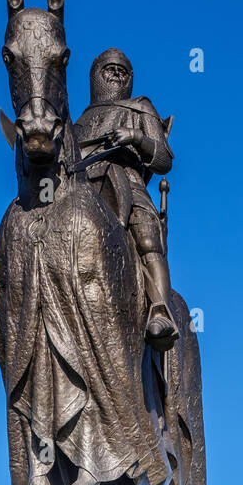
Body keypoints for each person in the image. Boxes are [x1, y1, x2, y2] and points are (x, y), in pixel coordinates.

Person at [74, 48, 179, 352]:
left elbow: (163, 159)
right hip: (80, 185)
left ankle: (159, 309)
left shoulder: (140, 107)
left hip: (128, 182)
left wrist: (136, 138)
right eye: (110, 69)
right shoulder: (78, 121)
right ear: (95, 75)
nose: (117, 74)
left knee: (146, 235)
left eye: (123, 70)